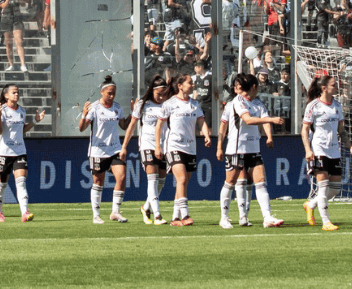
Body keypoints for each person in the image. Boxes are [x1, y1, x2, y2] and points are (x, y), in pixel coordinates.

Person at [215, 73, 285, 229]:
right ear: (254, 87)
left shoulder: (258, 103)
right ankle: (224, 218)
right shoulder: (237, 102)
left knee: (260, 182)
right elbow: (248, 120)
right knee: (230, 183)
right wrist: (272, 119)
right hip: (236, 149)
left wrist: (269, 136)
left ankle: (267, 217)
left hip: (253, 149)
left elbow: (263, 118)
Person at [301, 75, 352, 231]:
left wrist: (350, 147)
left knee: (335, 188)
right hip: (319, 149)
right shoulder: (313, 106)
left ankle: (310, 204)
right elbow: (304, 130)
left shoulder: (337, 106)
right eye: (334, 85)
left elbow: (341, 131)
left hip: (334, 150)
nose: (337, 87)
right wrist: (308, 149)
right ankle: (326, 222)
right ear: (324, 88)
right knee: (323, 186)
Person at [155, 74, 212, 226]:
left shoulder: (194, 104)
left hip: (190, 148)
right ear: (180, 85)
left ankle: (175, 218)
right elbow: (159, 126)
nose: (192, 85)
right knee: (181, 179)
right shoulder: (169, 103)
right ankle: (185, 215)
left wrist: (206, 135)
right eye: (190, 83)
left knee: (183, 183)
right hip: (174, 146)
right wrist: (157, 146)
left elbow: (201, 121)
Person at [79, 76, 131, 224]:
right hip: (98, 151)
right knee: (98, 181)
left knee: (121, 177)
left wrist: (133, 114)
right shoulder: (94, 108)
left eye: (114, 93)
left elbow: (123, 126)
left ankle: (115, 212)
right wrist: (83, 114)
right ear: (102, 92)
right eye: (109, 93)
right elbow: (82, 128)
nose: (112, 96)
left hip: (114, 149)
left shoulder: (117, 108)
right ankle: (96, 215)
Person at [0, 84, 45, 223]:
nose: (16, 95)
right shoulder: (1, 110)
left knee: (21, 181)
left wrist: (35, 121)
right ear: (6, 95)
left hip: (19, 151)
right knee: (2, 184)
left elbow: (21, 130)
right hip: (3, 153)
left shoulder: (22, 111)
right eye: (14, 92)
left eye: (18, 92)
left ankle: (25, 212)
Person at [121, 76, 169, 225]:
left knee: (161, 181)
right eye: (158, 94)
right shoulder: (143, 104)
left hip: (163, 146)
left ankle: (146, 207)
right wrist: (124, 146)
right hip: (147, 145)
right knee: (153, 179)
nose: (161, 97)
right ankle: (158, 216)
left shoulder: (168, 105)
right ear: (152, 91)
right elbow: (132, 126)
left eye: (164, 94)